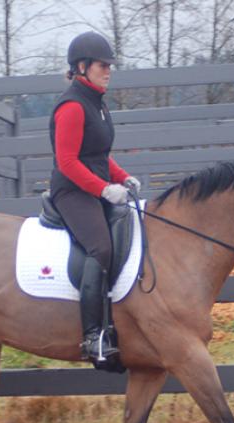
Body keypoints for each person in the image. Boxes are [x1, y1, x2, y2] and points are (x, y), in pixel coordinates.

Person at [48, 31, 141, 367]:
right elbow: (69, 162)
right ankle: (93, 337)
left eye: (110, 65)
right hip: (71, 191)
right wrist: (103, 189)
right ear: (82, 66)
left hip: (92, 185)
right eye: (104, 65)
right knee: (100, 247)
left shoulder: (97, 104)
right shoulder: (72, 106)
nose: (109, 70)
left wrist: (122, 177)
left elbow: (99, 156)